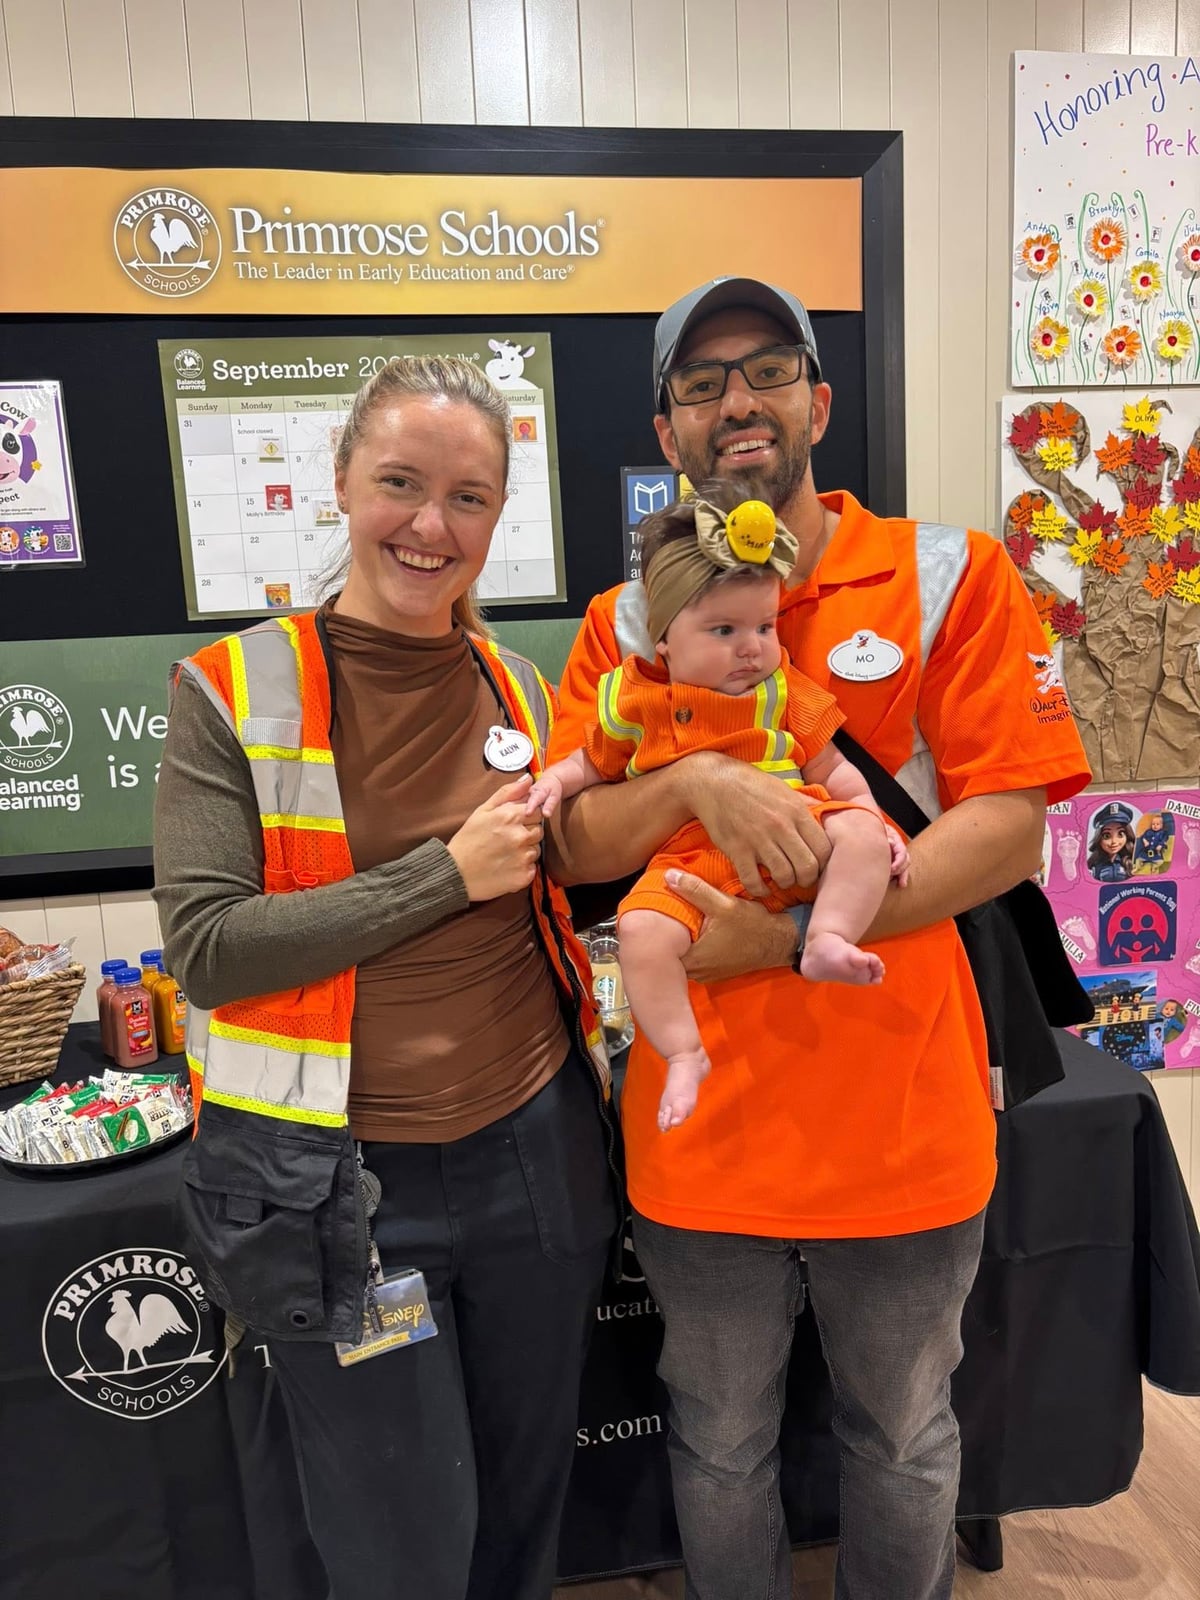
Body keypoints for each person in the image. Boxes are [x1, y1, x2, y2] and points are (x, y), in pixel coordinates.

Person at [548, 277, 1091, 1600]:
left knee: (902, 1440)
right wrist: (688, 788)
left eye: (768, 370)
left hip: (903, 1124)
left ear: (818, 400)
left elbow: (1009, 831)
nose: (737, 400)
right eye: (701, 383)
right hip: (701, 1134)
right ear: (669, 432)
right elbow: (568, 846)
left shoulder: (944, 574)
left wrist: (778, 942)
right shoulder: (624, 626)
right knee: (720, 1444)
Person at [153, 355, 619, 1600]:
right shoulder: (232, 688)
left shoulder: (519, 683)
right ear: (342, 483)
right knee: (402, 1535)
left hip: (536, 1160)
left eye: (469, 497)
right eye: (401, 484)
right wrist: (440, 875)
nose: (431, 525)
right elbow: (206, 948)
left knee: (527, 1503)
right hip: (350, 1201)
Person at [530, 481, 907, 1130]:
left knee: (865, 841)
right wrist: (553, 785)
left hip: (797, 831)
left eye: (764, 626)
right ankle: (682, 1053)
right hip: (689, 861)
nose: (752, 647)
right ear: (666, 643)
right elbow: (591, 762)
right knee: (642, 932)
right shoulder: (633, 697)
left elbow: (833, 770)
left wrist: (875, 821)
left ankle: (826, 937)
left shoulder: (782, 690)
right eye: (724, 630)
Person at [1087, 800, 1136, 882]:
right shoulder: (1095, 865)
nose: (1114, 841)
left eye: (1120, 834)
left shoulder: (1131, 862)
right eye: (1107, 836)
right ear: (1099, 838)